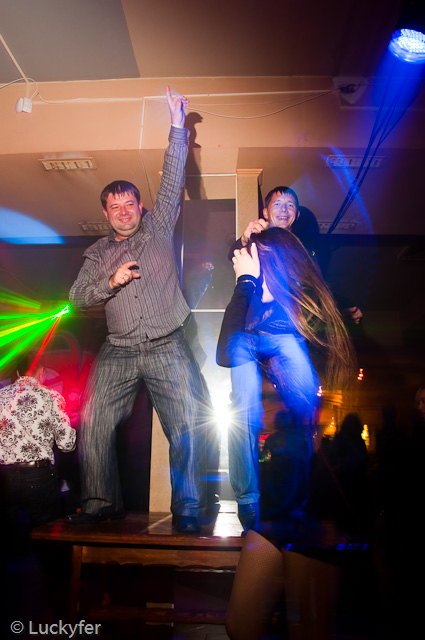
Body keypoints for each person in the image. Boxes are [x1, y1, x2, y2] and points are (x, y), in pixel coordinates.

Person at [68, 86, 206, 533]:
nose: (124, 212)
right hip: (119, 349)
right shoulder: (97, 253)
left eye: (130, 204)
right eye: (115, 207)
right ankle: (100, 503)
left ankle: (188, 508)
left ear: (140, 206)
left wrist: (177, 125)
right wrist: (110, 282)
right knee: (93, 422)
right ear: (105, 213)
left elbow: (173, 178)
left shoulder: (158, 226)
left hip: (167, 343)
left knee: (186, 423)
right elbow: (76, 298)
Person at [217, 227, 355, 531]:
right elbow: (226, 354)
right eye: (254, 265)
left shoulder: (298, 310)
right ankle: (249, 503)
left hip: (295, 498)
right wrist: (245, 281)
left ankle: (285, 507)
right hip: (269, 498)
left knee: (300, 398)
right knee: (242, 401)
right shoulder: (252, 303)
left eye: (262, 264)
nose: (257, 274)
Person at [229, 185, 363, 325]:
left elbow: (319, 286)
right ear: (266, 213)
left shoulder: (306, 251)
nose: (284, 209)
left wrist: (340, 310)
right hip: (260, 323)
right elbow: (233, 258)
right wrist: (245, 239)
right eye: (277, 204)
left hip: (296, 324)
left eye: (290, 205)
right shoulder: (259, 242)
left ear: (297, 214)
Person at [0, 351, 76, 534]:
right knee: (47, 536)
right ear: (41, 371)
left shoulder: (1, 396)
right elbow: (67, 444)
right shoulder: (51, 397)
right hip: (39, 475)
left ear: (17, 372)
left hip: (4, 477)